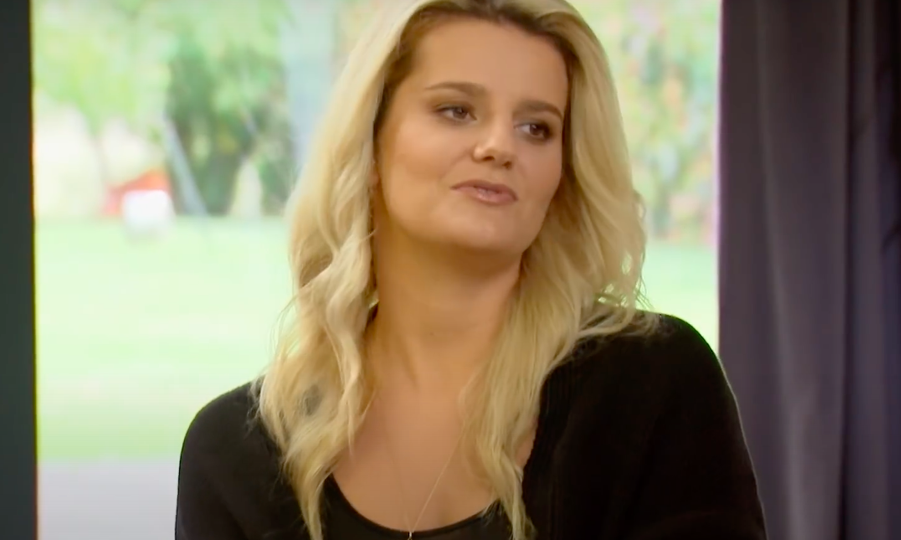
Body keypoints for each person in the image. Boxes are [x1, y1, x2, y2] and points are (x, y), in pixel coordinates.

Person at [174, 0, 767, 539]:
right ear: (370, 143)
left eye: (536, 127)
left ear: (562, 174)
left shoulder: (651, 385)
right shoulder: (235, 453)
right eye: (456, 110)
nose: (499, 146)